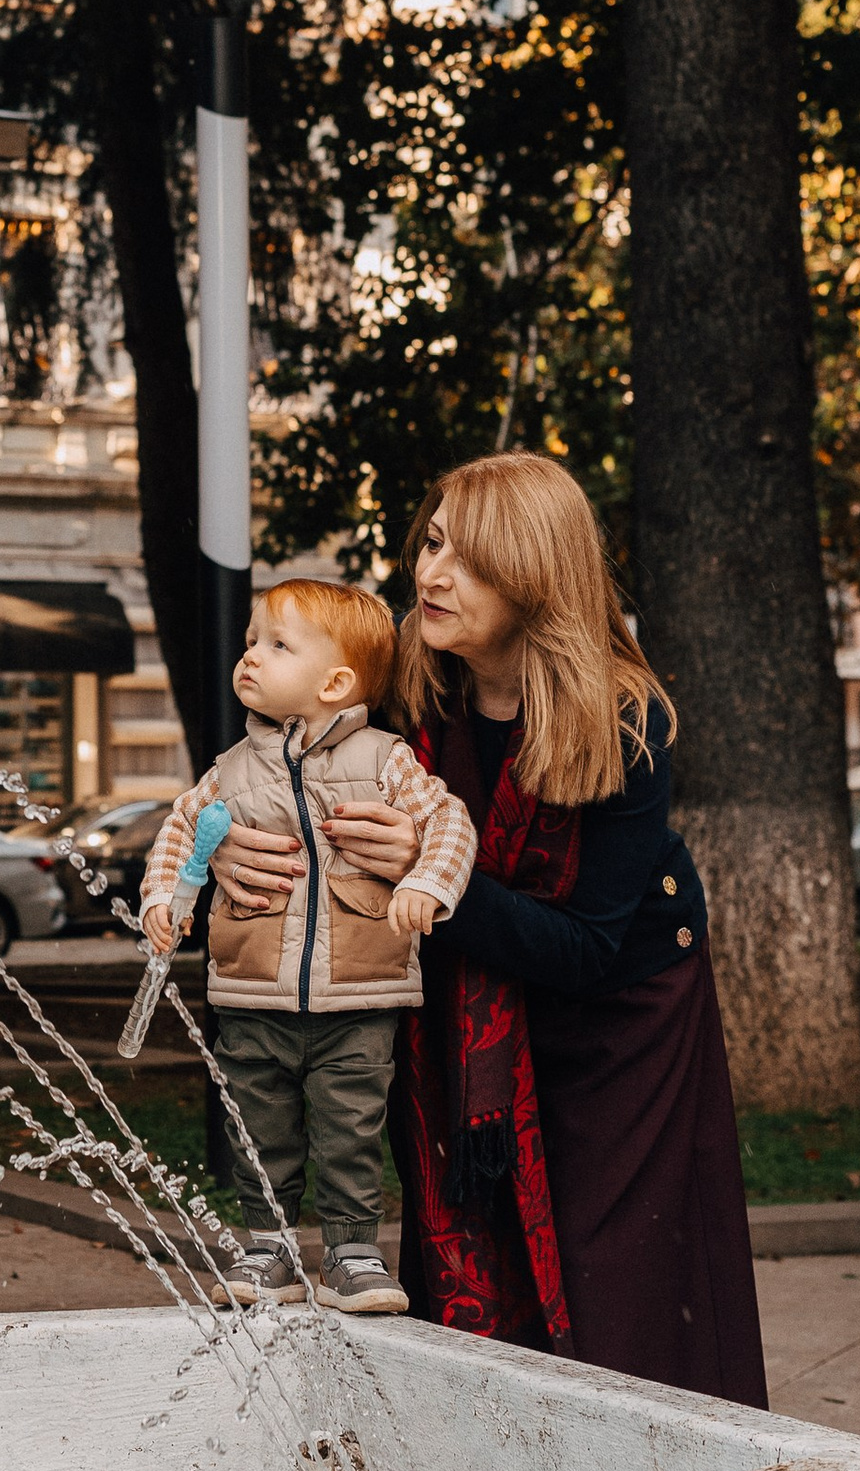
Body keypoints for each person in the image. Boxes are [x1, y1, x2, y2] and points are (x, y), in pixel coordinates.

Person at [207, 454, 767, 1404]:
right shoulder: (405, 683)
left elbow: (587, 949)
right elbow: (268, 768)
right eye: (431, 543)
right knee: (467, 1259)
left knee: (616, 1289)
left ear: (536, 575)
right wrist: (227, 849)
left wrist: (429, 879)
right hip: (457, 1022)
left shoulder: (626, 723)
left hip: (621, 1020)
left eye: (469, 560)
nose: (429, 575)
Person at [139, 576, 475, 1314]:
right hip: (252, 986)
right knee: (258, 1122)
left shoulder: (385, 760)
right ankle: (270, 1248)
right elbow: (179, 833)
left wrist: (429, 884)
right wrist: (164, 899)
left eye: (277, 645)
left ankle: (353, 1251)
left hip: (358, 989)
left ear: (336, 682)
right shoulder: (231, 770)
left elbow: (450, 823)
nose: (251, 656)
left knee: (350, 1123)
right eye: (253, 640)